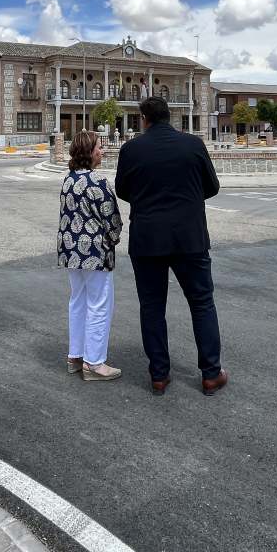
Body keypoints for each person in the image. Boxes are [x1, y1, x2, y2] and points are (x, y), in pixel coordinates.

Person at [114, 97, 227, 396]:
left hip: (147, 239)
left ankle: (159, 375)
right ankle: (211, 374)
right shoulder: (193, 145)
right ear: (170, 117)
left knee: (152, 307)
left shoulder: (131, 149)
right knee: (202, 303)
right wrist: (187, 199)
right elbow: (212, 186)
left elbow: (123, 190)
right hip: (189, 238)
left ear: (143, 119)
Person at [58, 130, 123, 382]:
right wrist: (114, 237)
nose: (102, 151)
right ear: (89, 152)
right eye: (98, 147)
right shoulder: (98, 183)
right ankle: (94, 363)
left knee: (78, 301)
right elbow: (112, 219)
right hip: (95, 252)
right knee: (99, 304)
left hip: (71, 251)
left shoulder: (68, 180)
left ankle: (75, 356)